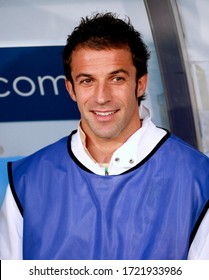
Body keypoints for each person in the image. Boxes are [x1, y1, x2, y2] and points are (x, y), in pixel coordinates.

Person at [0, 12, 209, 260]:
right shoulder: (28, 180)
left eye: (116, 78)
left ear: (140, 84)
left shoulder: (199, 178)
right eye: (87, 81)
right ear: (71, 89)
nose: (102, 97)